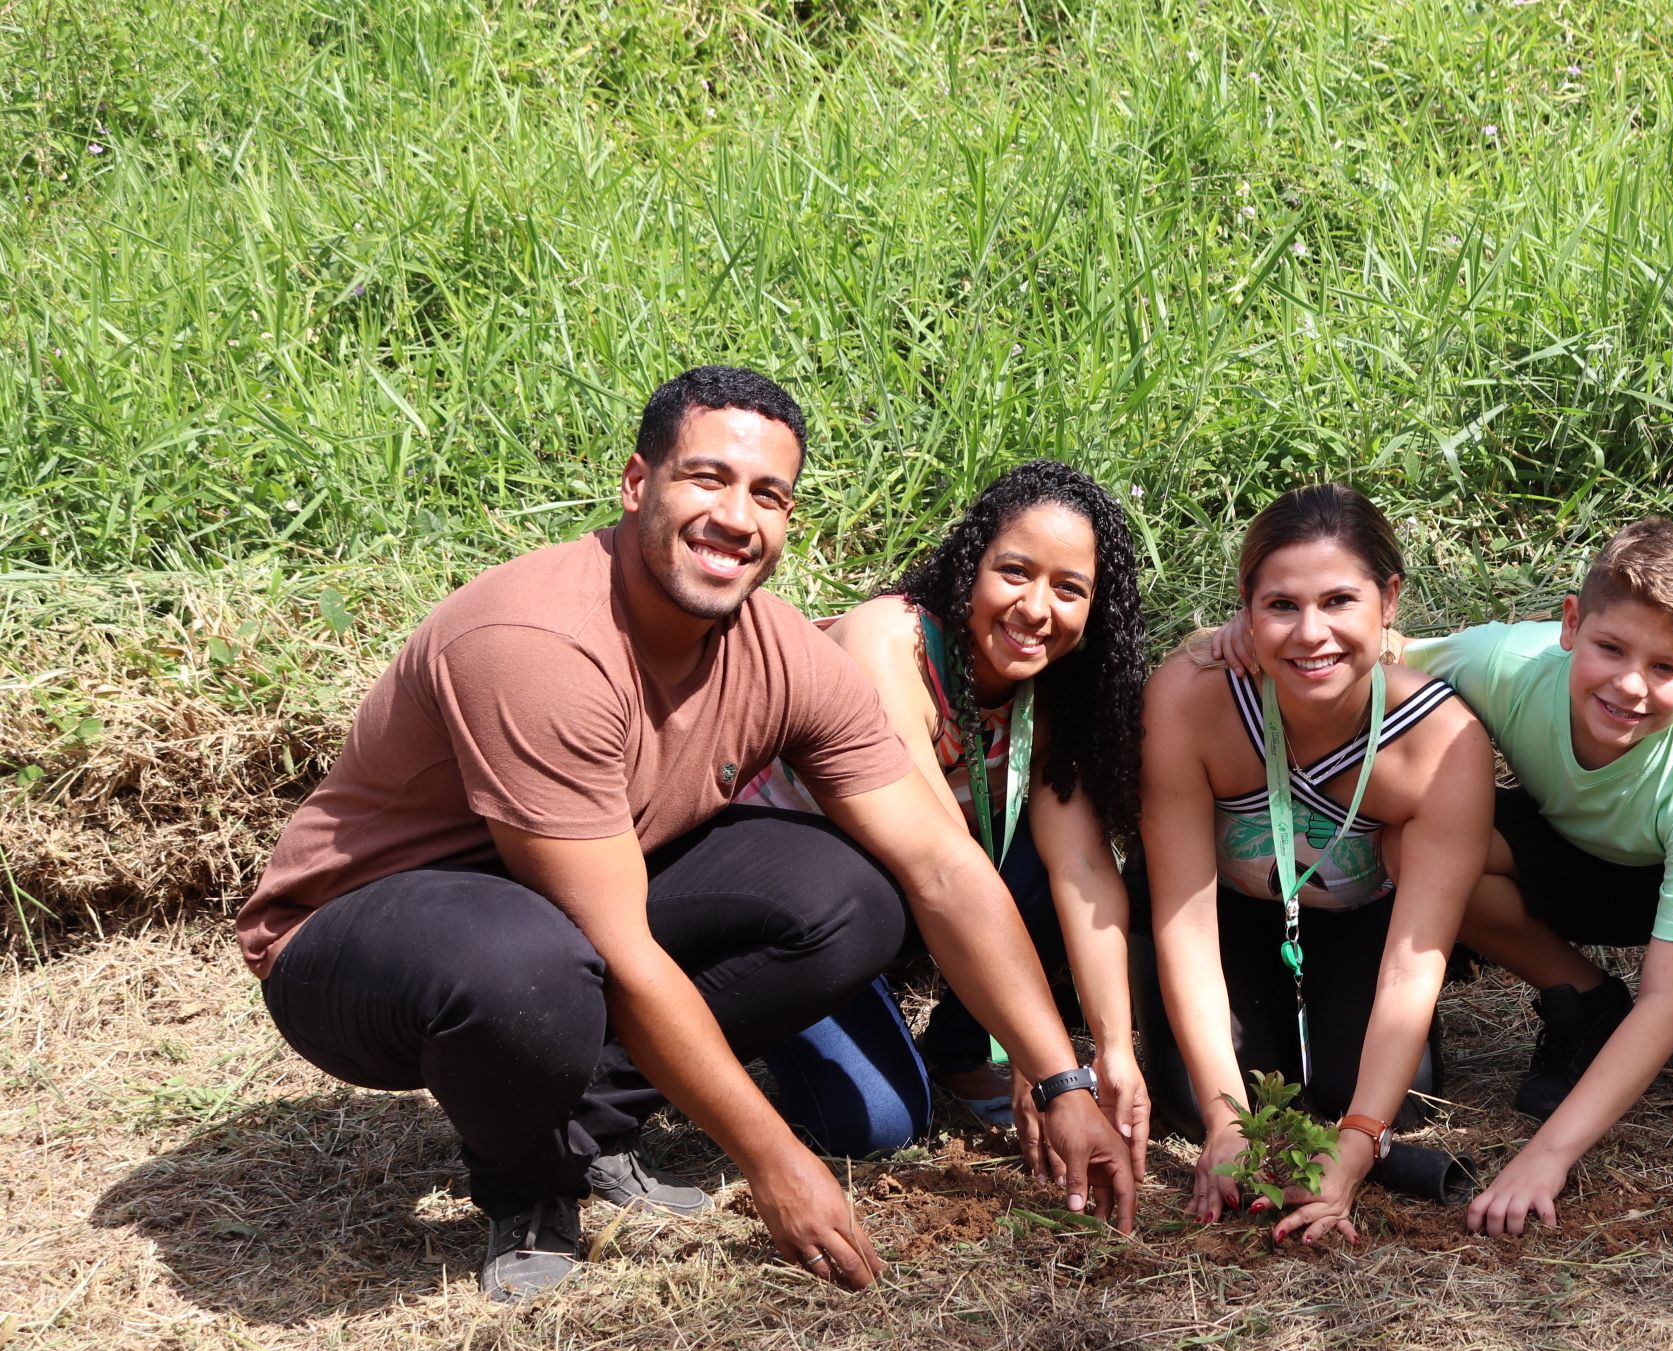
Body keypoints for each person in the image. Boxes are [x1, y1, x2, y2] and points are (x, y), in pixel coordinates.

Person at [235, 366, 1139, 1303]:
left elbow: (942, 865)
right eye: (707, 479)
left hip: (573, 901)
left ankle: (584, 1126)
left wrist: (1060, 1078)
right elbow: (619, 946)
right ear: (638, 484)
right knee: (530, 966)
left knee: (850, 898)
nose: (737, 517)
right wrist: (774, 1159)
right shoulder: (537, 642)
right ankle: (529, 1184)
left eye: (768, 495)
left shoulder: (779, 647)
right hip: (358, 934)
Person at [739, 462, 1149, 1178]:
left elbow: (1084, 870)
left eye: (1070, 589)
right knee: (879, 1125)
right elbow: (936, 865)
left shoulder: (1052, 693)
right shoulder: (888, 643)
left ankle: (957, 1051)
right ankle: (748, 1028)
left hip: (901, 900)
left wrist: (1110, 1050)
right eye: (1015, 572)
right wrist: (1044, 1059)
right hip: (802, 917)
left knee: (1056, 872)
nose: (1036, 609)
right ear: (971, 563)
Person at [1138, 483, 1493, 1246]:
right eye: (1281, 606)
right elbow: (1185, 920)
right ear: (1245, 605)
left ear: (1388, 600)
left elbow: (1413, 957)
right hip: (1226, 916)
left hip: (1358, 922)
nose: (1311, 634)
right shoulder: (1192, 696)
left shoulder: (1442, 743)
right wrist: (1223, 1121)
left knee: (1395, 1102)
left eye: (1338, 601)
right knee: (1187, 1098)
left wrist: (1361, 1141)